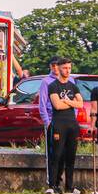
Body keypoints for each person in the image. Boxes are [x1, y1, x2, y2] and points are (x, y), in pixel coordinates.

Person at [45, 59, 82, 194]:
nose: (68, 70)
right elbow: (57, 106)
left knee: (71, 157)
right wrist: (72, 102)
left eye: (69, 68)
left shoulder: (73, 86)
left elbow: (81, 104)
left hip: (72, 124)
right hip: (58, 124)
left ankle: (70, 186)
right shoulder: (53, 86)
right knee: (57, 155)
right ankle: (53, 185)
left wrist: (66, 101)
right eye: (65, 68)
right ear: (59, 68)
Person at [37, 56, 61, 186]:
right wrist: (47, 122)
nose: (55, 68)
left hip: (65, 120)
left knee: (64, 153)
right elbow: (42, 104)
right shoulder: (46, 82)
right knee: (52, 152)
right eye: (53, 65)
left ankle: (60, 181)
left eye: (58, 65)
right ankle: (51, 182)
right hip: (52, 120)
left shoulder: (69, 80)